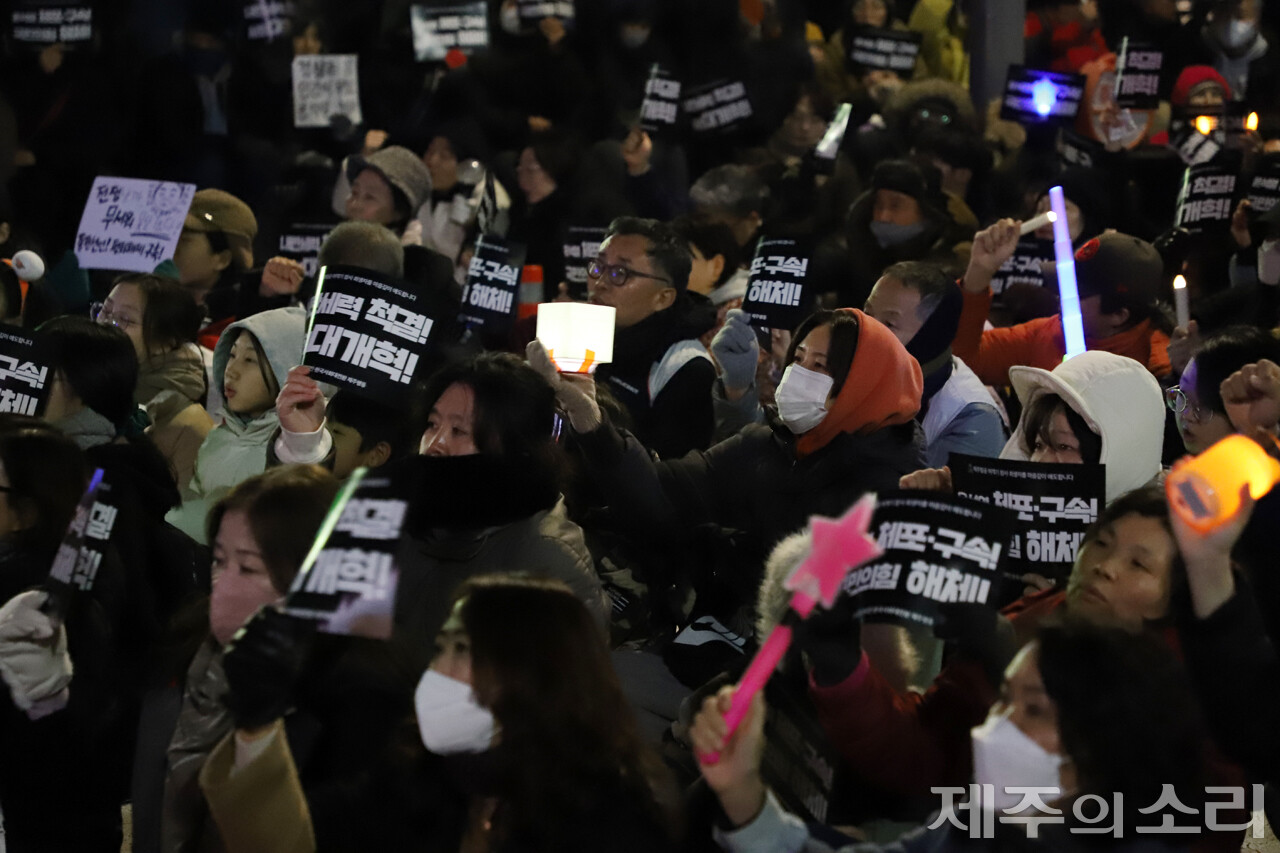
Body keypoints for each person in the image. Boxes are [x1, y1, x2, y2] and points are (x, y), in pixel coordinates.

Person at [198, 576, 681, 852]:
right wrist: (257, 726)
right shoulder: (420, 778)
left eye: (462, 651)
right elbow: (297, 840)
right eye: (440, 649)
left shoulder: (611, 828)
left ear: (534, 677)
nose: (437, 670)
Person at [531, 306, 923, 619]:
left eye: (820, 366)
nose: (798, 373)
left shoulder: (889, 490)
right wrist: (592, 421)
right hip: (717, 632)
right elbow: (662, 493)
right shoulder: (767, 444)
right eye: (799, 357)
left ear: (864, 387)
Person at [692, 618, 1213, 851]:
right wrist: (743, 794)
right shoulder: (975, 827)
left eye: (1033, 710)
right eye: (1005, 698)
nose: (997, 724)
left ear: (1106, 746)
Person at [159, 465, 340, 853]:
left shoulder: (341, 706)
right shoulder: (195, 651)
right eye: (218, 560)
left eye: (248, 567)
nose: (221, 583)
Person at [393, 352, 610, 647]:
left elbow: (568, 672)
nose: (434, 445)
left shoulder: (546, 555)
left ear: (514, 450)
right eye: (432, 424)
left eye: (458, 431)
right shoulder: (399, 506)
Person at [0, 424, 132, 852]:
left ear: (28, 509)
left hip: (43, 814)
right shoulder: (93, 566)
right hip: (81, 811)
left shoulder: (26, 592)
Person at [164, 306, 321, 544]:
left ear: (286, 370)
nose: (232, 371)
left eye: (250, 360)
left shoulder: (295, 452)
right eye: (232, 355)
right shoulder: (219, 436)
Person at [956, 223, 1174, 386]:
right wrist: (979, 272)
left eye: (1076, 293)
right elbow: (962, 363)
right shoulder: (1046, 333)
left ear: (1119, 315)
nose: (1061, 296)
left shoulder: (1161, 367)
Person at [587, 216, 718, 459]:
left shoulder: (686, 369)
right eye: (598, 266)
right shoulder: (581, 330)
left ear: (663, 298)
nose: (600, 283)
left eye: (620, 273)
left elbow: (665, 474)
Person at [864, 261, 1006, 466]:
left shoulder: (972, 417)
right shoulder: (841, 362)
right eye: (867, 315)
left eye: (889, 324)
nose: (867, 331)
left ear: (928, 336)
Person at [92, 273, 213, 490]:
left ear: (166, 342)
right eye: (106, 311)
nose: (104, 324)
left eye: (125, 319)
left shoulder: (189, 426)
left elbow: (183, 509)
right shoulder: (84, 384)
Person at [844, 159, 974, 307]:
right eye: (878, 205)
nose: (883, 217)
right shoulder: (858, 251)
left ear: (926, 212)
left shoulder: (952, 260)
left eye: (895, 206)